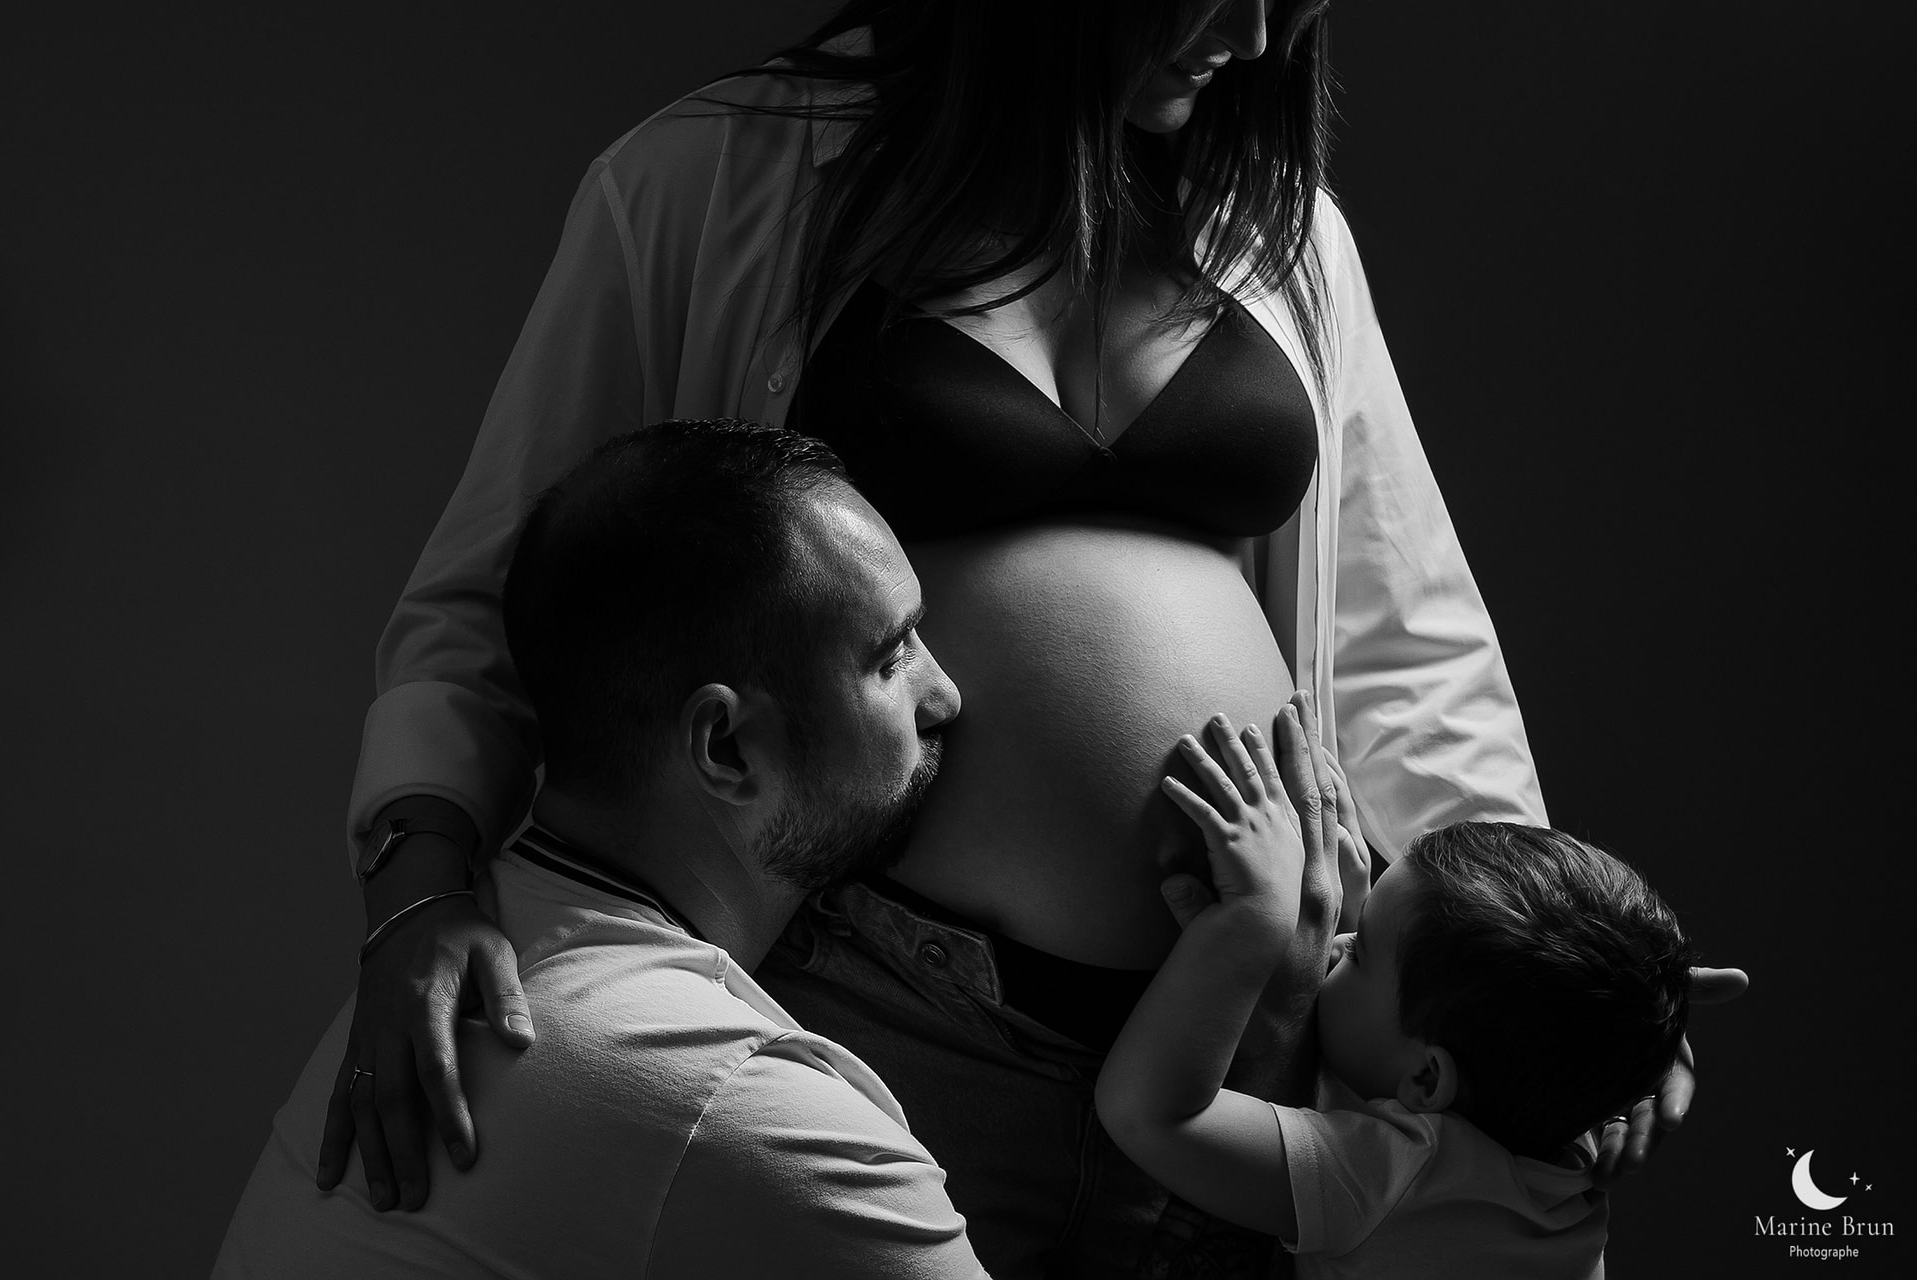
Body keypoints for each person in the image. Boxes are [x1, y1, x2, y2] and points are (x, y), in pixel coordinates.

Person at [322, 2, 1705, 1273]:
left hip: (1252, 1042)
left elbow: (1407, 646)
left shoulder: (1283, 236)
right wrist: (420, 886)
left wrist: (1537, 1005)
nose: (1257, 33)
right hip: (882, 1011)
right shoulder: (708, 180)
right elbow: (503, 588)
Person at [215, 418, 987, 1277]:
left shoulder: (428, 976)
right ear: (726, 747)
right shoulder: (747, 1110)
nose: (945, 695)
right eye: (891, 657)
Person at [1097, 716, 1743, 1278]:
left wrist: (1253, 921)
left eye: (1361, 950)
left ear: (1428, 1079)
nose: (1337, 942)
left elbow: (1152, 1116)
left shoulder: (1396, 1174)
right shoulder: (1562, 1142)